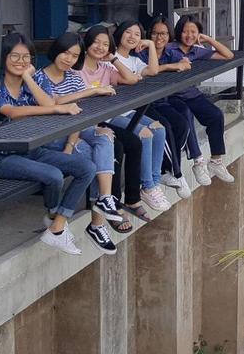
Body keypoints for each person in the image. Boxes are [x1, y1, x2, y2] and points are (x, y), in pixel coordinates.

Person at [0, 32, 94, 256]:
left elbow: (48, 101)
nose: (21, 62)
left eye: (26, 57)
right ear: (3, 58)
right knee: (54, 175)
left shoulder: (34, 80)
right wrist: (56, 109)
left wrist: (28, 78)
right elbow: (12, 112)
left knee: (86, 168)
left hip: (33, 150)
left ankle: (58, 225)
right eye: (14, 56)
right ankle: (52, 217)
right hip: (2, 157)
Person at [34, 32, 124, 253]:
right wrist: (92, 90)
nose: (68, 59)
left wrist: (71, 145)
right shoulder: (39, 77)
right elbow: (50, 104)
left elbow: (79, 116)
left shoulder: (73, 77)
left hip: (74, 132)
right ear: (56, 51)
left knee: (104, 137)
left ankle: (104, 198)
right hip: (49, 136)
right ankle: (97, 222)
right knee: (95, 156)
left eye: (74, 56)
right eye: (65, 53)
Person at [79, 24, 169, 219]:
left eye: (105, 44)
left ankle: (146, 188)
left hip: (111, 115)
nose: (100, 47)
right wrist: (96, 90)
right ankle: (116, 201)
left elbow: (130, 79)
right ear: (86, 44)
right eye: (96, 42)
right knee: (124, 144)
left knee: (150, 134)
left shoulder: (105, 67)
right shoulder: (77, 70)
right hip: (93, 121)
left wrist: (112, 59)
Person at [114, 19, 195, 200]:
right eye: (128, 32)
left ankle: (154, 182)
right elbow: (130, 78)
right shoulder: (111, 57)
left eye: (137, 34)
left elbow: (152, 70)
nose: (132, 37)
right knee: (149, 132)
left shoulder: (134, 60)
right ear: (119, 33)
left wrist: (150, 44)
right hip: (117, 112)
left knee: (161, 128)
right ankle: (150, 184)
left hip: (131, 109)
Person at [162, 17, 236, 186]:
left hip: (190, 93)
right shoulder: (170, 49)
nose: (189, 35)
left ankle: (215, 161)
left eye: (193, 32)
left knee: (215, 115)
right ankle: (198, 162)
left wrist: (208, 39)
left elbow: (228, 55)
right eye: (185, 31)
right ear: (179, 32)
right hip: (171, 96)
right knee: (186, 115)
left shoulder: (197, 50)